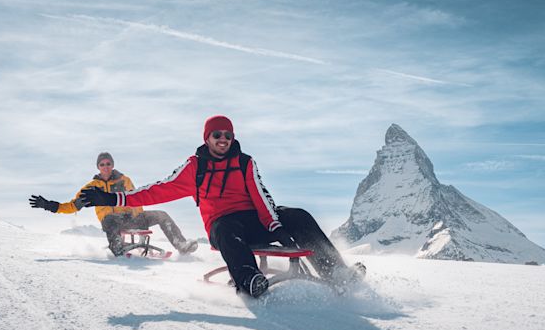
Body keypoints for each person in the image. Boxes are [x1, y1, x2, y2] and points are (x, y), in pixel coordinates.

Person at [80, 116, 364, 297]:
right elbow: (158, 190)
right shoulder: (195, 167)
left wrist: (276, 225)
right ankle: (249, 279)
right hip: (223, 225)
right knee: (228, 227)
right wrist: (113, 199)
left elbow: (262, 198)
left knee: (298, 215)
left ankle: (336, 273)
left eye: (227, 135)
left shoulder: (245, 162)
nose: (223, 139)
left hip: (254, 221)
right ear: (207, 138)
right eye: (217, 135)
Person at [29, 151, 198, 257]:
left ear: (113, 165)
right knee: (110, 220)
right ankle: (118, 248)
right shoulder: (91, 188)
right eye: (102, 164)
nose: (106, 167)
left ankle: (181, 245)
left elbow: (137, 198)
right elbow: (72, 206)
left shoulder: (124, 180)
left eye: (108, 164)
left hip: (133, 218)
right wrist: (49, 205)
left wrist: (137, 216)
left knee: (162, 215)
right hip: (112, 221)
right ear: (98, 167)